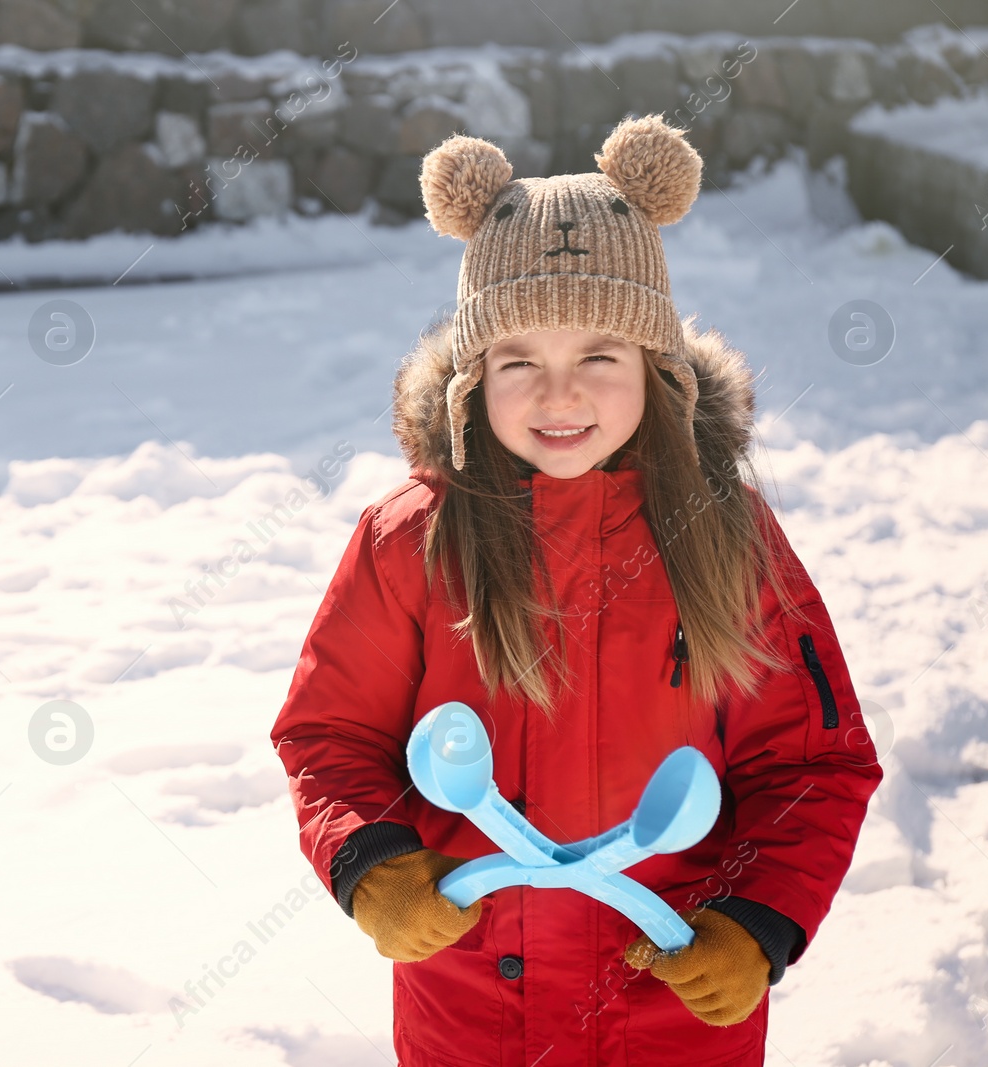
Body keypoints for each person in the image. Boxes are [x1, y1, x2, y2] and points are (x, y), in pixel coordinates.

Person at [269, 115, 883, 1066]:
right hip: (469, 1010)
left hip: (671, 1007)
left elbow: (813, 764)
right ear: (475, 378)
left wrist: (756, 922)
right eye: (519, 361)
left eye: (600, 356)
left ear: (657, 369)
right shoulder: (410, 542)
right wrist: (374, 864)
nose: (560, 397)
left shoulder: (730, 539)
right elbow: (330, 733)